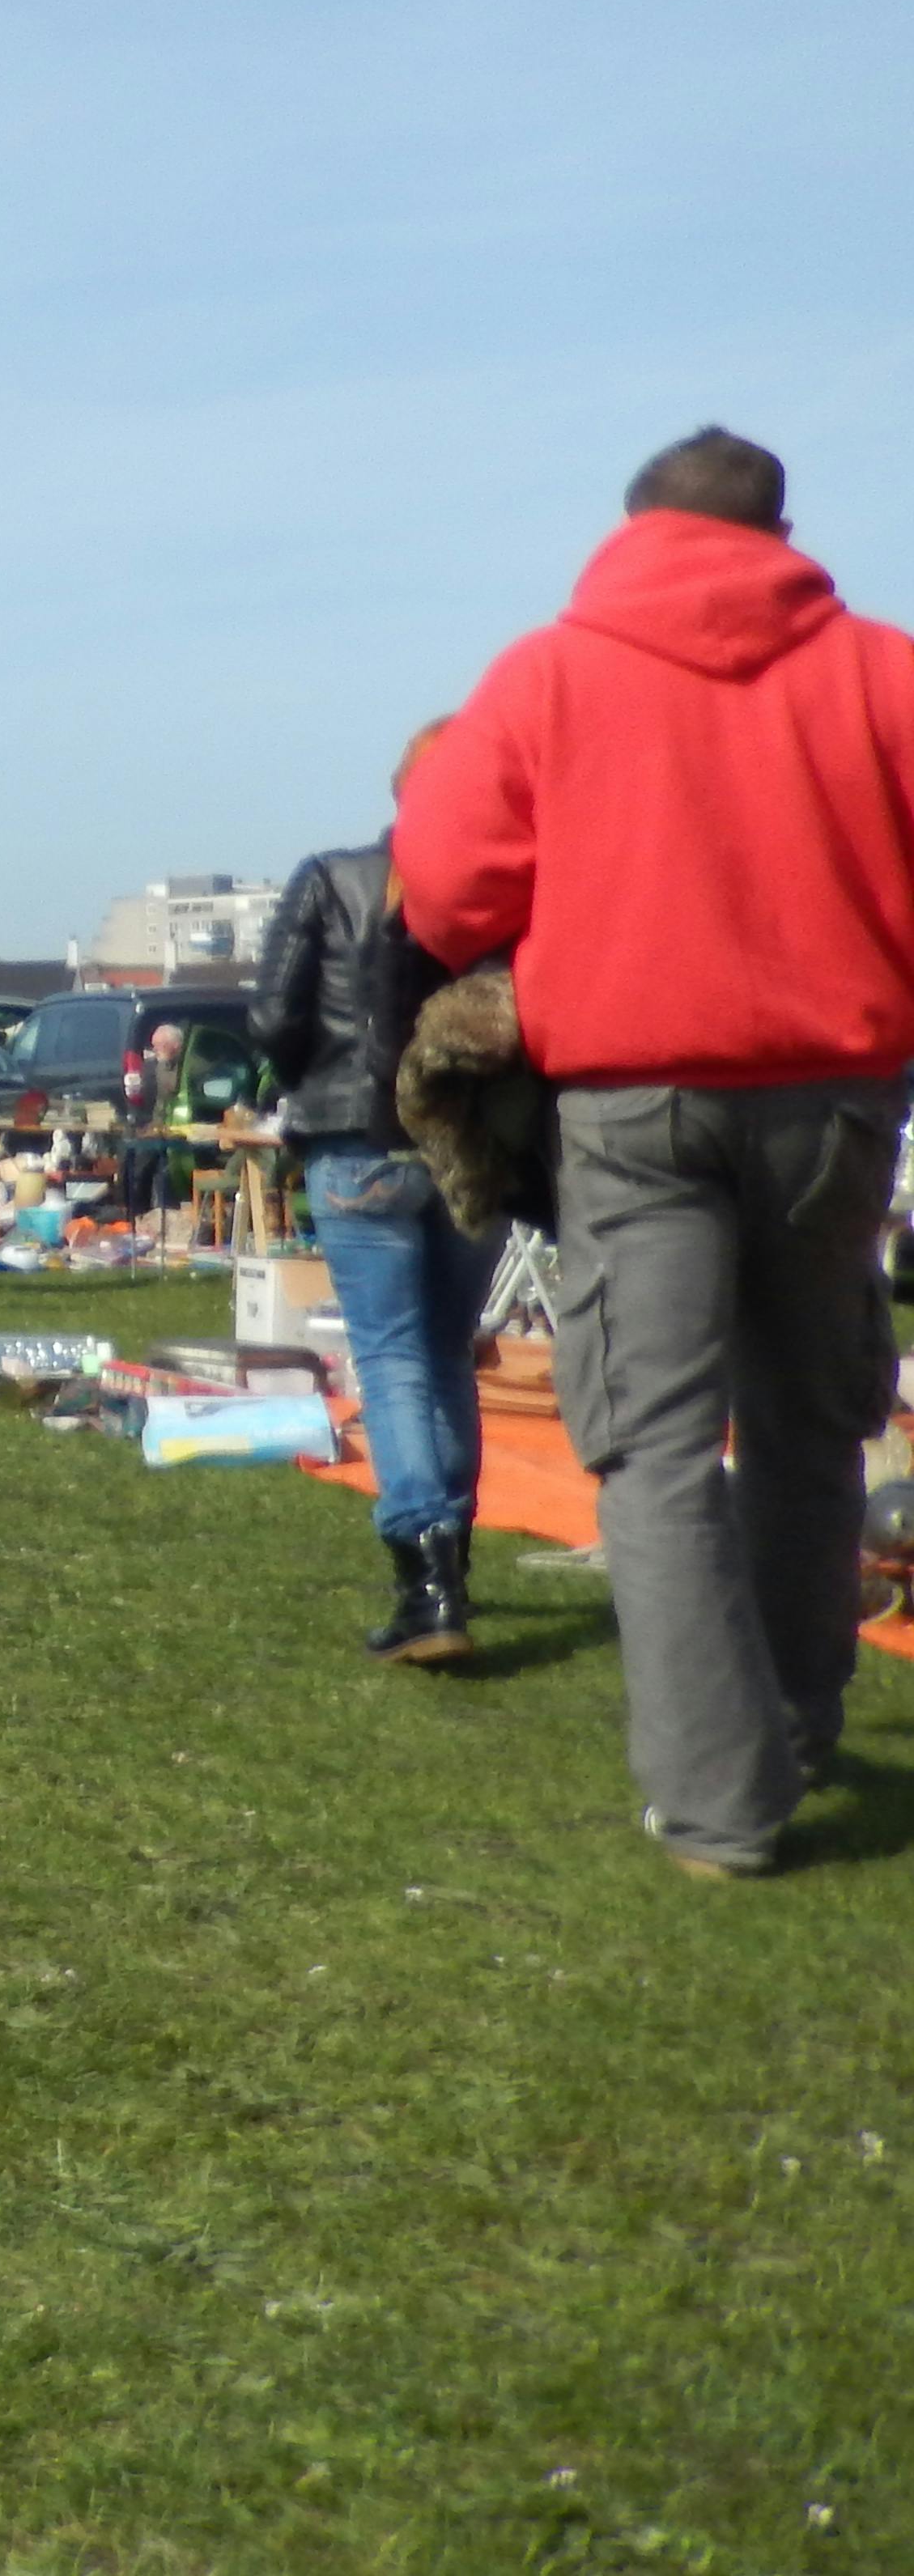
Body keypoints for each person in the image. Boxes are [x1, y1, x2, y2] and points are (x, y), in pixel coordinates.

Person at [399, 427, 914, 1877]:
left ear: (630, 529)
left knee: (653, 1440)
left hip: (635, 1096)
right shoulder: (885, 671)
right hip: (838, 1092)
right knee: (816, 1419)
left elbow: (442, 885)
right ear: (786, 531)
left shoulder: (551, 674)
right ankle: (799, 1719)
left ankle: (718, 1797)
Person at [253, 734, 483, 1669]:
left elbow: (273, 1016)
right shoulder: (501, 891)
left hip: (357, 1139)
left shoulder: (331, 877)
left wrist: (303, 1078)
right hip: (465, 1150)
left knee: (390, 1359)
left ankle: (427, 1576)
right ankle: (450, 1554)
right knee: (442, 1355)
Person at [119, 1023, 186, 1229]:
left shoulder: (183, 1067)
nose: (154, 1050)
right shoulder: (155, 1066)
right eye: (154, 1046)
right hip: (154, 1126)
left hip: (178, 1130)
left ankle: (147, 1217)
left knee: (154, 1167)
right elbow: (146, 1099)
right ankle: (135, 1216)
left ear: (174, 1045)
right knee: (131, 1161)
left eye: (159, 1046)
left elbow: (171, 1091)